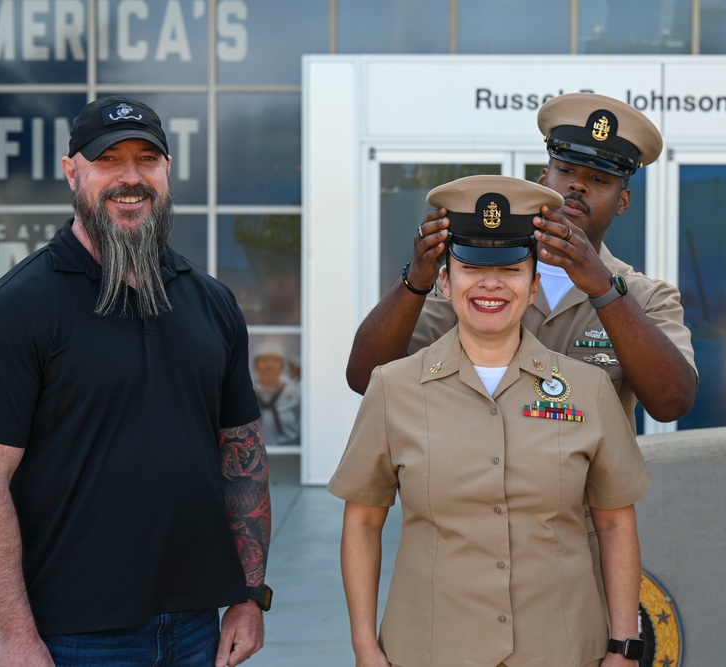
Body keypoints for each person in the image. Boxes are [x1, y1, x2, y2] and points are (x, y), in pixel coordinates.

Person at [0, 96, 272, 667]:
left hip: (197, 627)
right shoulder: (17, 308)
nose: (131, 177)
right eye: (109, 160)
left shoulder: (211, 301)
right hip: (72, 634)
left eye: (147, 158)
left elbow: (242, 453)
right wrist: (15, 633)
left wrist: (249, 595)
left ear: (167, 171)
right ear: (73, 173)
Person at [329, 175, 652, 667]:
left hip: (561, 649)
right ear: (445, 279)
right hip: (430, 648)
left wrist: (623, 647)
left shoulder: (588, 390)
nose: (491, 285)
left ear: (533, 283)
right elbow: (363, 520)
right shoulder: (393, 387)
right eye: (472, 268)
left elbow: (614, 524)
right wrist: (364, 646)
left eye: (511, 270)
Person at [345, 92, 697, 430]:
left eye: (599, 180)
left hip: (587, 492)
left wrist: (604, 289)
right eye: (566, 171)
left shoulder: (647, 297)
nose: (578, 187)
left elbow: (671, 404)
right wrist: (415, 281)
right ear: (544, 181)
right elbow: (365, 378)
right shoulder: (480, 279)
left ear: (623, 202)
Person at [252, 340, 301, 446]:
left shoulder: (296, 394)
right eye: (264, 360)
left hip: (290, 451)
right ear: (256, 366)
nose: (269, 365)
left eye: (275, 360)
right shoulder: (246, 395)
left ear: (282, 366)